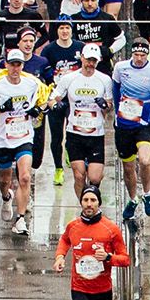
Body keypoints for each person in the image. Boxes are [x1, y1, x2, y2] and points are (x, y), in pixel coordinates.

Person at [0, 47, 48, 236]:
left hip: (24, 136)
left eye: (19, 64)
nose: (15, 68)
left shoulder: (32, 84)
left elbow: (47, 100)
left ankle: (20, 219)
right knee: (4, 179)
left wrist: (38, 109)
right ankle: (6, 197)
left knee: (24, 177)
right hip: (3, 139)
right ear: (6, 65)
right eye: (12, 64)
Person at [113, 39, 150, 224]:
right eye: (136, 55)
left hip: (145, 123)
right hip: (125, 123)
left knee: (144, 160)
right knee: (128, 167)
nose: (139, 59)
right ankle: (133, 198)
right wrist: (116, 111)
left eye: (143, 56)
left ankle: (147, 193)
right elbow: (115, 88)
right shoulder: (121, 68)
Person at [56, 44, 115, 198]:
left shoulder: (104, 80)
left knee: (95, 177)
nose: (90, 64)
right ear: (81, 58)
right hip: (75, 132)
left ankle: (92, 198)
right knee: (79, 175)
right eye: (88, 60)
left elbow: (109, 106)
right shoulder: (69, 78)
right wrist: (58, 105)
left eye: (94, 61)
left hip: (96, 133)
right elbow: (53, 98)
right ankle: (84, 206)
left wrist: (105, 105)